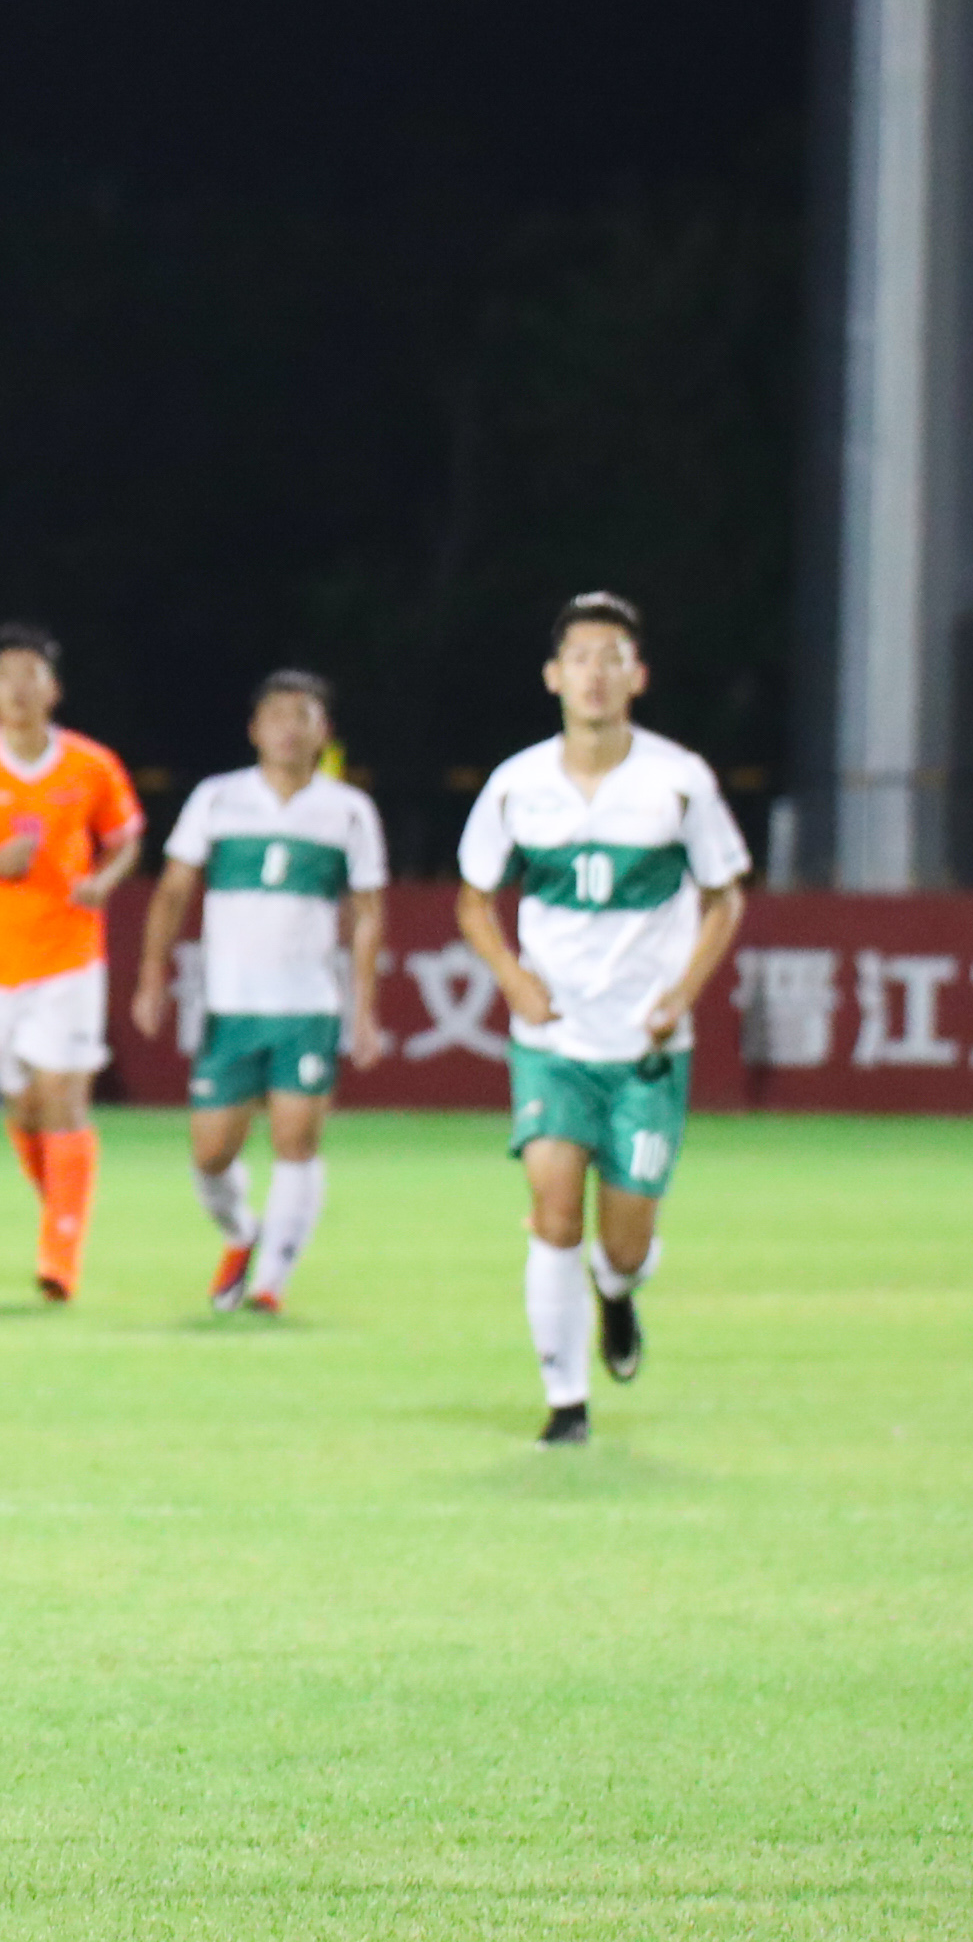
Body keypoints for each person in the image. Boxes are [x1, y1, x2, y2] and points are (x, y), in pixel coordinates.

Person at [454, 593, 748, 1446]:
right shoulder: (516, 784)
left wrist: (681, 993)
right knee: (552, 1208)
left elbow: (724, 897)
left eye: (611, 657)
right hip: (552, 1042)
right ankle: (564, 1402)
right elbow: (472, 899)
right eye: (579, 657)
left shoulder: (677, 780)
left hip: (644, 1048)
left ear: (636, 676)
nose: (594, 672)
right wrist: (512, 978)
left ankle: (616, 1294)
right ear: (553, 675)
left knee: (622, 1244)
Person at [129, 671, 392, 1311]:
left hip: (308, 1007)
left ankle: (271, 1281)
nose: (288, 728)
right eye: (276, 715)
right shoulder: (218, 799)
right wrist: (152, 977)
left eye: (303, 716)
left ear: (324, 731)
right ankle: (241, 1233)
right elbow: (172, 891)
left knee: (296, 1142)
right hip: (230, 1005)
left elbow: (368, 914)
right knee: (210, 1154)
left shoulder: (348, 811)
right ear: (254, 729)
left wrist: (363, 1010)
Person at [0, 625, 145, 1300]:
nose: (18, 687)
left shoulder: (91, 764)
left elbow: (126, 837)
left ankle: (59, 1258)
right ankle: (61, 1207)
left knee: (63, 1095)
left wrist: (103, 880)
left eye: (31, 674)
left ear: (53, 689)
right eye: (6, 675)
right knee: (23, 1102)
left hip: (70, 953)